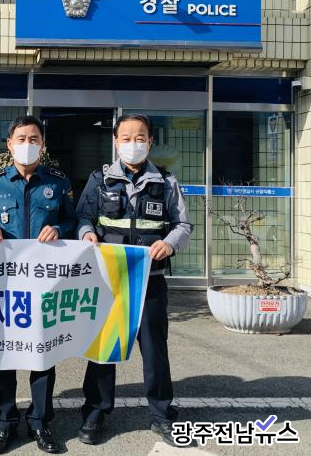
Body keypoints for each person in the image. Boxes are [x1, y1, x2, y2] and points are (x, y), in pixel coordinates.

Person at [74, 113, 195, 448]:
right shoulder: (99, 180)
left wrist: (170, 243)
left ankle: (161, 413)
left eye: (140, 137)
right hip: (109, 280)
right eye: (126, 138)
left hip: (150, 281)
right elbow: (83, 216)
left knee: (155, 350)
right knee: (104, 347)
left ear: (150, 142)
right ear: (115, 142)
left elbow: (183, 225)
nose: (133, 143)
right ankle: (96, 411)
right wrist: (86, 234)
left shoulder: (166, 182)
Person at [0, 115, 77, 455]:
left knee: (42, 352)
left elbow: (72, 219)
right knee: (4, 352)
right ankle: (5, 421)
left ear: (42, 144)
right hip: (4, 283)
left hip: (45, 282)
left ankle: (40, 421)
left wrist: (59, 229)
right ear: (9, 144)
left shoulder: (57, 183)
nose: (27, 144)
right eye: (21, 138)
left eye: (34, 138)